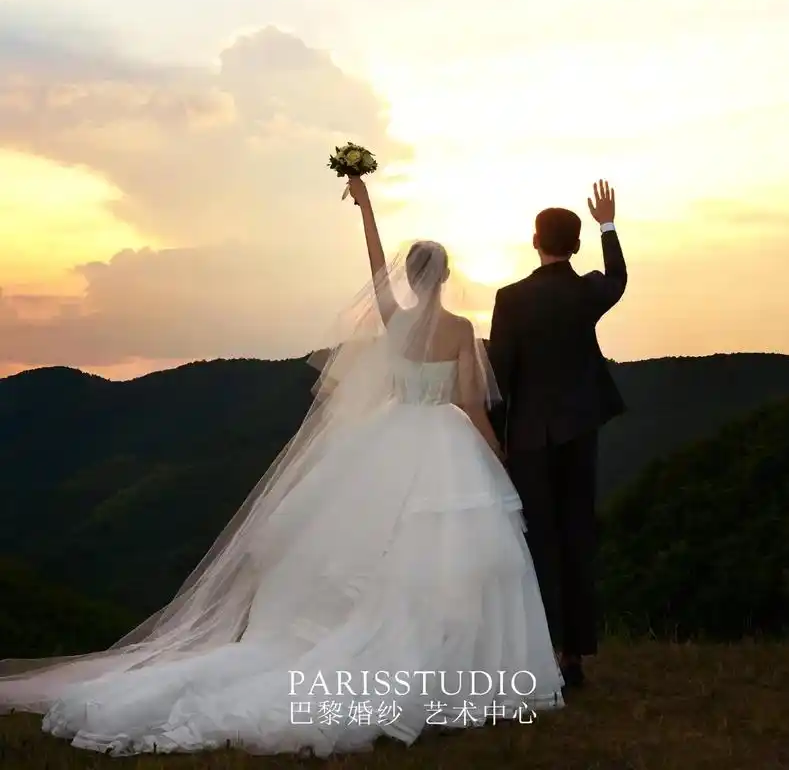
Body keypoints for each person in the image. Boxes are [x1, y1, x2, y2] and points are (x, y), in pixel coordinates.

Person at [0, 175, 563, 756]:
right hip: (442, 443)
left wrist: (367, 208)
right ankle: (460, 667)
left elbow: (376, 269)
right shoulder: (460, 330)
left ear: (411, 277)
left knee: (375, 551)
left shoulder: (394, 320)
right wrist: (496, 450)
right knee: (451, 561)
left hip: (389, 440)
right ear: (444, 277)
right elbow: (470, 402)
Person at [489, 181, 627, 690]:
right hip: (579, 430)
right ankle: (574, 657)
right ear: (576, 245)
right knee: (577, 537)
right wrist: (608, 224)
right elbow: (617, 279)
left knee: (536, 542)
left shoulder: (511, 298)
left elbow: (500, 375)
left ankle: (539, 649)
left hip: (527, 436)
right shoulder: (585, 289)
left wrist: (494, 436)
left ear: (534, 241)